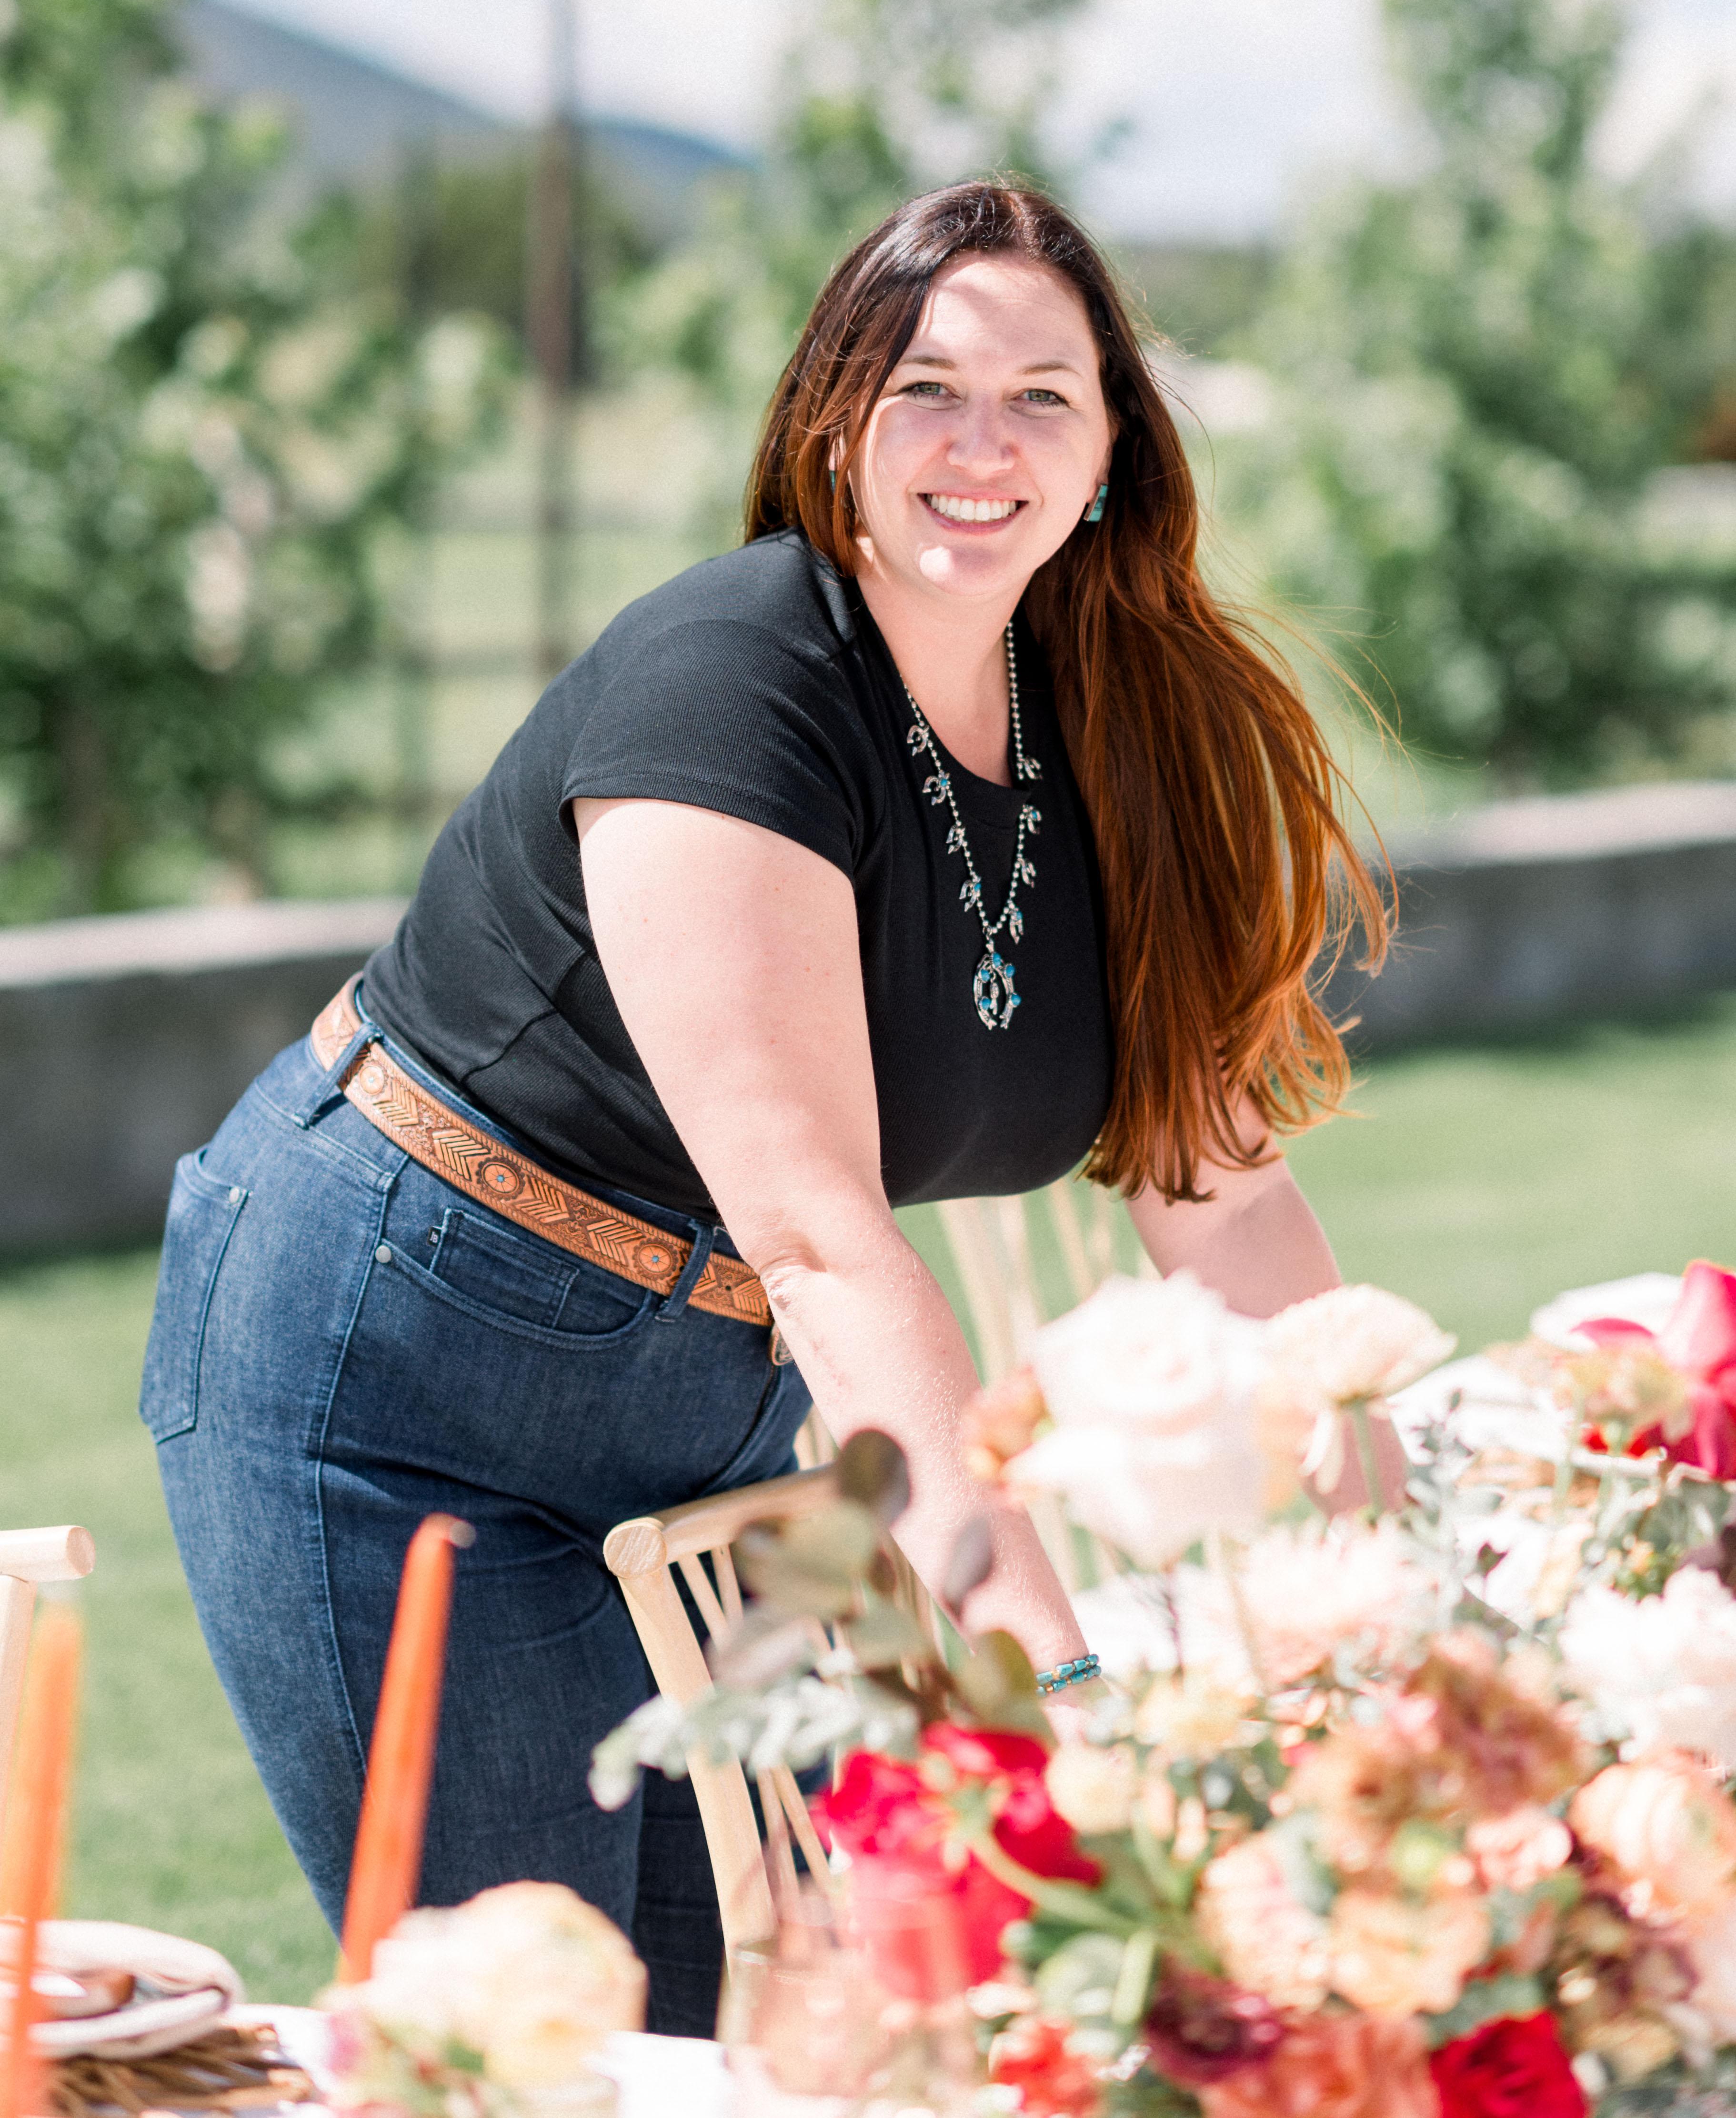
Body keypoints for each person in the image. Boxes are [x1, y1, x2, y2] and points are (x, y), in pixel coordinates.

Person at [140, 179, 1385, 2034]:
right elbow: (818, 1230)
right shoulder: (733, 682)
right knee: (539, 2033)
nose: (983, 444)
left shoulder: (1124, 729)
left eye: (1043, 396)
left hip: (736, 1388)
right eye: (926, 389)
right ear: (834, 424)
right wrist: (1059, 1690)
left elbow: (1230, 1197)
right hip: (395, 1363)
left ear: (1115, 450)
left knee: (815, 2008)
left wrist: (1398, 1576)